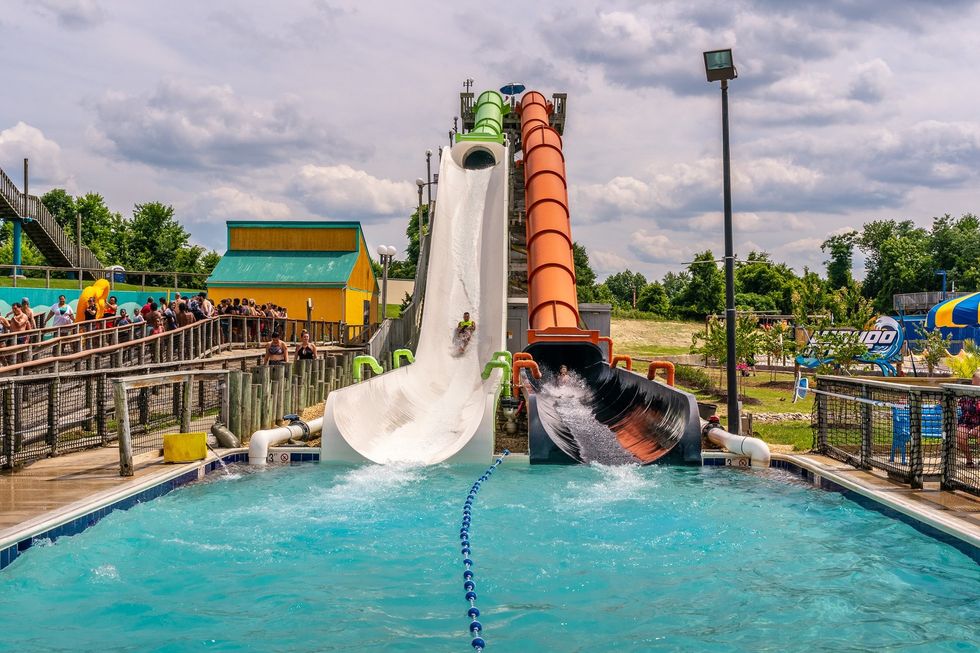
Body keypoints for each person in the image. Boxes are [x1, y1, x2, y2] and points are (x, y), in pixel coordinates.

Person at [956, 372, 980, 467]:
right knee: (960, 435)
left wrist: (977, 428)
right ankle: (969, 460)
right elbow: (956, 402)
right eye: (974, 382)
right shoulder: (966, 393)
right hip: (966, 423)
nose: (974, 385)